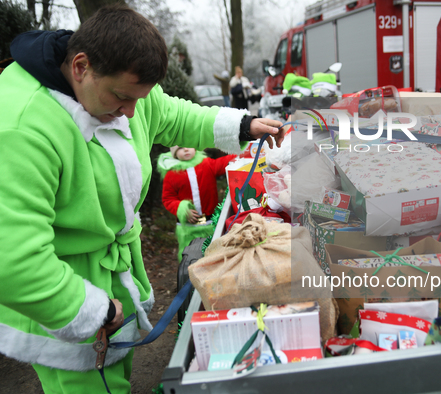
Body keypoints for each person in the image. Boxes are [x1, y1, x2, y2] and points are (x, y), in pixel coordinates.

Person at [0, 4, 284, 394]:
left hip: (113, 282)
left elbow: (169, 115)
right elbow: (13, 259)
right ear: (80, 67)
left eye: (138, 100)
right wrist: (90, 311)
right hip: (63, 300)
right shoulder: (20, 127)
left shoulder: (118, 85)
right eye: (121, 98)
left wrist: (243, 124)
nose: (130, 114)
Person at [158, 147, 236, 261]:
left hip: (210, 223)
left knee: (214, 256)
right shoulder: (171, 174)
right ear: (174, 154)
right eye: (180, 148)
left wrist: (248, 150)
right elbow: (168, 199)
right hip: (188, 228)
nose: (186, 150)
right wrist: (182, 210)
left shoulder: (206, 164)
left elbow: (225, 162)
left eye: (188, 145)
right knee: (190, 258)